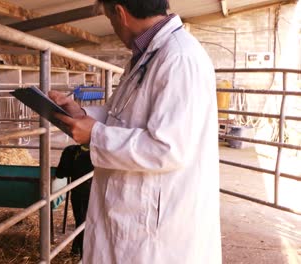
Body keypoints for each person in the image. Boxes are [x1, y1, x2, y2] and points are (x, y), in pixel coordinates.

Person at [48, 0, 222, 263]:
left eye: (109, 18)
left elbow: (168, 148)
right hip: (132, 213)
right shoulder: (147, 54)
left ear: (120, 13)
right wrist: (81, 115)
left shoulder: (179, 58)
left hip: (156, 231)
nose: (113, 26)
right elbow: (125, 115)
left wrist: (95, 135)